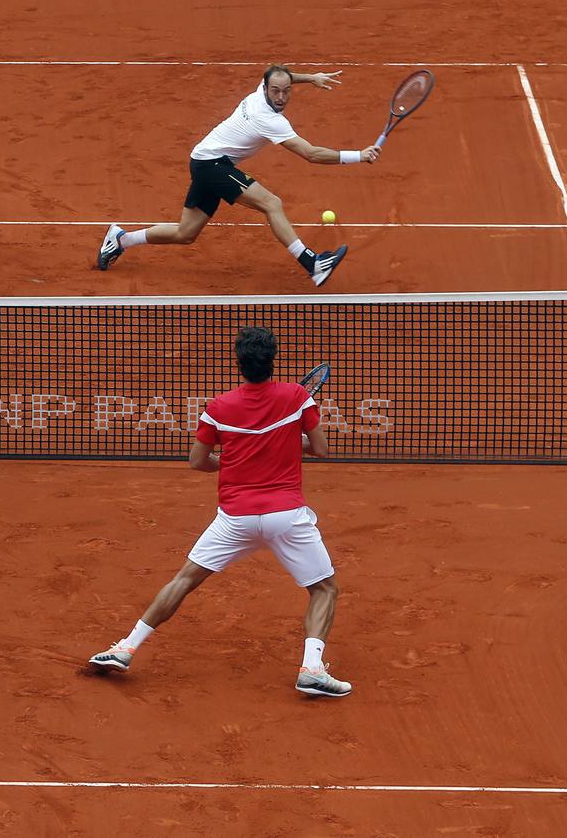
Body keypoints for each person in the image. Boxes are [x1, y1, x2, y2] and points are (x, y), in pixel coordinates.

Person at [88, 327, 351, 697]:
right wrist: (286, 439)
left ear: (239, 364)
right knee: (324, 589)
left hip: (235, 518)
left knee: (184, 580)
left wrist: (233, 457)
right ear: (271, 361)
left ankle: (125, 648)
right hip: (286, 517)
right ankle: (312, 668)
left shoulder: (218, 407)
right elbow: (320, 448)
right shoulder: (296, 397)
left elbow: (198, 461)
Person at [97, 66, 380, 287]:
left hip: (203, 158)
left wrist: (311, 77)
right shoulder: (270, 120)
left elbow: (285, 75)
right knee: (272, 203)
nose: (280, 97)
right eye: (275, 91)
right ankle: (312, 264)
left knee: (186, 234)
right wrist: (359, 155)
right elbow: (311, 154)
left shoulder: (262, 89)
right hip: (212, 164)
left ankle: (120, 239)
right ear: (266, 89)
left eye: (285, 91)